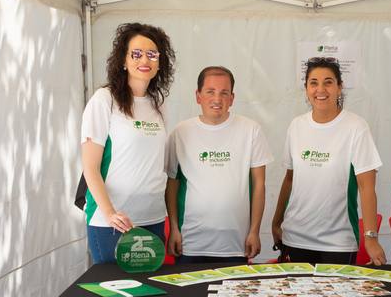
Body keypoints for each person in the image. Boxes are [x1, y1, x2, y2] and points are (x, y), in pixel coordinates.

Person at [272, 57, 385, 265]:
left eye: (328, 82)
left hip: (338, 243)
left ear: (339, 87)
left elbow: (366, 187)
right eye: (313, 83)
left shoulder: (356, 127)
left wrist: (370, 238)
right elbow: (289, 179)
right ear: (306, 88)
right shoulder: (296, 126)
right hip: (296, 239)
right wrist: (276, 221)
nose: (320, 89)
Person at [80, 22, 175, 264]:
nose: (145, 59)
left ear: (159, 62)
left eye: (152, 54)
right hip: (113, 221)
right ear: (123, 60)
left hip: (152, 217)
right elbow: (90, 168)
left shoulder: (158, 104)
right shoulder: (104, 100)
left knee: (148, 296)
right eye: (136, 53)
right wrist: (110, 213)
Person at [165, 66, 272, 264]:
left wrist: (255, 231)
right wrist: (173, 229)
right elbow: (172, 184)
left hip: (235, 244)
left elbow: (259, 185)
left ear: (232, 98)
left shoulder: (251, 131)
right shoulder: (180, 133)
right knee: (187, 295)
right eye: (210, 92)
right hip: (191, 244)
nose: (217, 99)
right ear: (198, 96)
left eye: (224, 93)